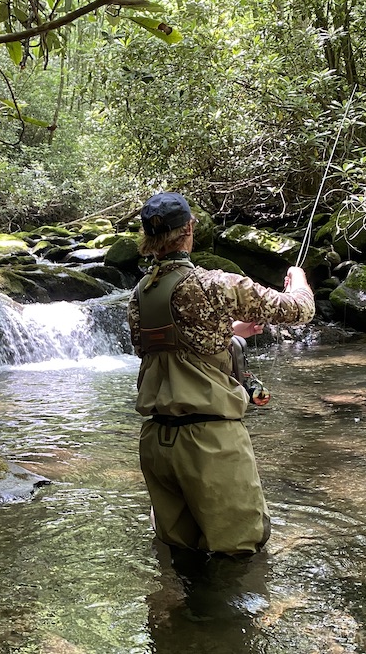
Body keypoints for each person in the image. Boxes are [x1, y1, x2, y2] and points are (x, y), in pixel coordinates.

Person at [128, 192, 315, 556]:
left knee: (179, 558)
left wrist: (228, 332)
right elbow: (299, 311)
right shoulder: (215, 284)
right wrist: (299, 280)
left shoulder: (140, 295)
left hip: (157, 444)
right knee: (239, 560)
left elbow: (167, 350)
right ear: (189, 229)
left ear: (149, 238)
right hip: (210, 444)